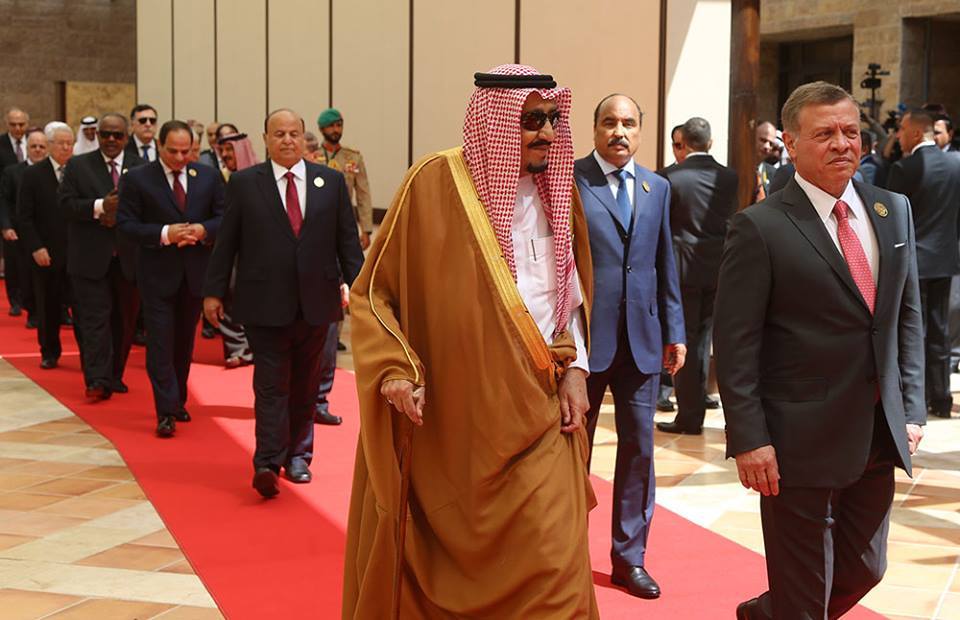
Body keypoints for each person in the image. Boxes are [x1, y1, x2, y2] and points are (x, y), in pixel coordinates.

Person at [343, 64, 597, 618]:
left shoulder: (560, 191)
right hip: (456, 431)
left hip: (543, 415)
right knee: (443, 576)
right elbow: (373, 294)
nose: (546, 132)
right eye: (531, 120)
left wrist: (577, 368)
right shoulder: (433, 186)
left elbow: (570, 296)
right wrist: (394, 369)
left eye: (552, 118)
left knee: (556, 564)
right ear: (496, 122)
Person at [716, 82, 925, 619]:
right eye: (824, 133)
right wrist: (750, 438)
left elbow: (907, 316)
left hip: (878, 431)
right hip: (796, 441)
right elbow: (736, 343)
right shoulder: (759, 226)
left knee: (866, 568)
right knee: (806, 592)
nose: (842, 143)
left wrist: (912, 408)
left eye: (851, 132)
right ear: (790, 142)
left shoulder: (892, 209)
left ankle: (767, 613)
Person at [203, 108, 363, 496]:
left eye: (294, 133)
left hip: (317, 302)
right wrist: (213, 291)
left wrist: (361, 290)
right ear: (265, 139)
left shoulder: (330, 182)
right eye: (279, 134)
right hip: (264, 302)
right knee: (271, 385)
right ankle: (267, 462)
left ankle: (298, 457)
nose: (287, 140)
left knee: (306, 385)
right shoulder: (245, 183)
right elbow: (227, 243)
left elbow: (346, 242)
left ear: (304, 138)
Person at [576, 93, 685, 600]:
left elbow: (665, 263)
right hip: (584, 342)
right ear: (595, 129)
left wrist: (674, 330)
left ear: (640, 131)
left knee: (639, 450)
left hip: (642, 341)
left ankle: (630, 558)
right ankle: (565, 551)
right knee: (573, 450)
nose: (619, 132)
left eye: (628, 123)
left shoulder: (657, 187)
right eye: (609, 122)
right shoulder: (571, 181)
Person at [118, 120, 224, 437]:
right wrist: (165, 233)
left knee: (183, 343)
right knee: (161, 344)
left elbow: (225, 217)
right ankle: (165, 410)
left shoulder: (207, 176)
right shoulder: (137, 178)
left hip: (194, 275)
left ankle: (178, 400)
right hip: (156, 275)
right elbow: (126, 225)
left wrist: (204, 230)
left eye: (185, 151)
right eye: (173, 151)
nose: (180, 158)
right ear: (159, 146)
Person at [656, 117, 738, 436]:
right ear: (710, 143)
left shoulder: (669, 177)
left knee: (684, 340)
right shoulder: (729, 177)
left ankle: (689, 417)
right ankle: (695, 408)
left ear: (684, 144)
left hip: (681, 270)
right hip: (718, 268)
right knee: (703, 340)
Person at [60, 113, 145, 400]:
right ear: (97, 135)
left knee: (124, 321)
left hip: (128, 260)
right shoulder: (78, 165)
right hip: (89, 258)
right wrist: (99, 207)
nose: (110, 139)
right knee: (94, 320)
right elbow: (65, 205)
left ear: (126, 137)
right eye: (105, 134)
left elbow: (150, 208)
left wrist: (121, 216)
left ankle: (114, 375)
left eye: (117, 135)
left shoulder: (141, 167)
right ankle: (96, 379)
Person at [886, 108, 960, 419]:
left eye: (901, 130)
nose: (898, 136)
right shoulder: (956, 165)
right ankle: (941, 399)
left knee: (911, 331)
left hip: (913, 261)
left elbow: (890, 220)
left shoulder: (904, 168)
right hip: (944, 259)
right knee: (940, 330)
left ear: (916, 132)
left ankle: (913, 400)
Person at [17, 122, 79, 369]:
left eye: (69, 143)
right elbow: (24, 217)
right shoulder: (33, 174)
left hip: (78, 252)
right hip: (46, 251)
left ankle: (89, 356)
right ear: (50, 145)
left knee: (82, 308)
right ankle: (49, 351)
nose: (66, 148)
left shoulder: (80, 170)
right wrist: (36, 247)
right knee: (48, 306)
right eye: (61, 143)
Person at [213, 129, 257, 368]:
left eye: (230, 150)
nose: (226, 155)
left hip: (257, 249)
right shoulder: (218, 178)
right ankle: (237, 348)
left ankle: (254, 346)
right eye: (223, 150)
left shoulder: (260, 177)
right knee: (229, 294)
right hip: (228, 249)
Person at [0, 128, 46, 323]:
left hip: (48, 231)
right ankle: (29, 309)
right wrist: (6, 226)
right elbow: (4, 200)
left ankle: (59, 310)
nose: (38, 150)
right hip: (20, 230)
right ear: (27, 149)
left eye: (41, 146)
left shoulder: (57, 171)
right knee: (22, 271)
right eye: (33, 146)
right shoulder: (12, 172)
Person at [316, 108, 373, 250]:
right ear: (321, 129)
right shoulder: (311, 157)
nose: (336, 130)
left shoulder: (353, 157)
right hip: (316, 220)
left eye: (339, 125)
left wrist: (366, 229)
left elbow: (363, 193)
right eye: (331, 126)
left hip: (345, 220)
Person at [754, 120, 779, 202]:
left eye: (771, 144)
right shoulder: (736, 168)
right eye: (763, 140)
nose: (767, 146)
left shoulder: (775, 174)